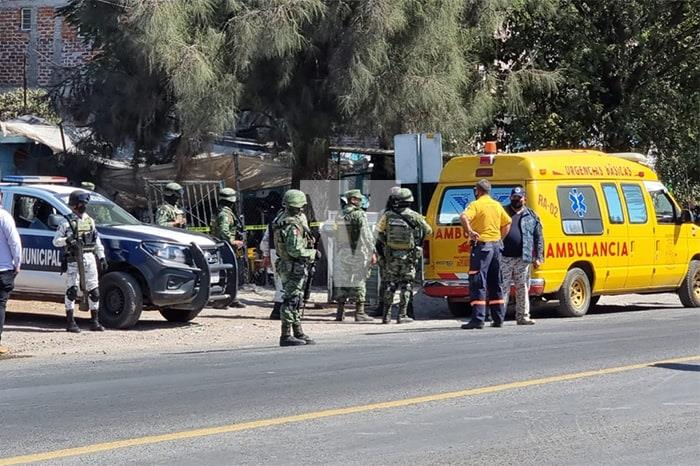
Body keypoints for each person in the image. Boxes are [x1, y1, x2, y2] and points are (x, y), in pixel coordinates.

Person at [53, 190, 108, 333]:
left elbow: (97, 241)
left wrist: (101, 257)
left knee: (94, 291)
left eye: (84, 203)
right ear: (75, 205)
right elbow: (56, 241)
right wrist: (68, 240)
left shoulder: (90, 221)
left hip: (89, 257)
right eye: (81, 203)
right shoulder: (66, 222)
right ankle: (70, 322)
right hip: (74, 259)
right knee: (72, 291)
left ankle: (94, 322)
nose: (83, 206)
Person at [460, 179, 511, 329]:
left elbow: (463, 217)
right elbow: (507, 223)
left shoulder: (476, 205)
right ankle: (498, 319)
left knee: (478, 282)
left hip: (482, 247)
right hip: (496, 247)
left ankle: (478, 319)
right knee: (495, 282)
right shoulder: (496, 205)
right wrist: (500, 239)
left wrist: (469, 231)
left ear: (477, 191)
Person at [376, 188, 432, 324]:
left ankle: (386, 316)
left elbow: (378, 232)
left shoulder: (387, 215)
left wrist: (386, 243)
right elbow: (429, 230)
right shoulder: (414, 216)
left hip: (391, 256)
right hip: (408, 257)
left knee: (390, 285)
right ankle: (402, 315)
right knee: (406, 285)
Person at [272, 189, 318, 346]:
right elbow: (295, 250)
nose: (299, 209)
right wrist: (312, 253)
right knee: (291, 300)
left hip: (289, 265)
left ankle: (298, 332)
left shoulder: (284, 218)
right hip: (292, 265)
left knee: (296, 298)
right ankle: (285, 335)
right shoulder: (292, 225)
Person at [501, 186, 544, 325]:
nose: (516, 200)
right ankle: (498, 316)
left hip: (523, 258)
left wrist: (538, 257)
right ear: (510, 198)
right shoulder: (503, 212)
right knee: (503, 288)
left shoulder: (531, 215)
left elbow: (539, 237)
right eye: (514, 197)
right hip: (504, 257)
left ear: (524, 199)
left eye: (519, 198)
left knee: (523, 288)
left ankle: (523, 317)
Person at [333, 189, 375, 322]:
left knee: (342, 280)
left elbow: (336, 234)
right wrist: (372, 251)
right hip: (356, 252)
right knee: (359, 279)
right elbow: (366, 235)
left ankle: (340, 312)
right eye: (358, 199)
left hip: (342, 251)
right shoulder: (359, 214)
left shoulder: (340, 215)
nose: (361, 201)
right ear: (353, 200)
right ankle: (360, 312)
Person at [369, 186, 402, 318]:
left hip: (387, 252)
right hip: (404, 253)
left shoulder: (385, 212)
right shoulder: (410, 213)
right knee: (406, 282)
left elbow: (378, 233)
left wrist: (379, 250)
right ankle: (406, 311)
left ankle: (383, 309)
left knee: (386, 281)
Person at [210, 187, 246, 308]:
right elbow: (223, 232)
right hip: (226, 247)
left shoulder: (221, 212)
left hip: (224, 247)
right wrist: (234, 242)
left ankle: (231, 298)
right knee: (228, 273)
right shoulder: (224, 215)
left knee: (230, 273)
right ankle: (221, 299)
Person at [0, 189, 21, 355]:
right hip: (3, 269)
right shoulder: (4, 217)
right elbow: (14, 242)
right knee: (0, 305)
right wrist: (18, 263)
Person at [260, 220, 284, 319]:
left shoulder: (275, 219)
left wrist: (266, 254)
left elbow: (265, 239)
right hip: (288, 254)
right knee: (287, 283)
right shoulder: (297, 219)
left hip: (274, 252)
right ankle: (280, 310)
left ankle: (278, 310)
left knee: (279, 282)